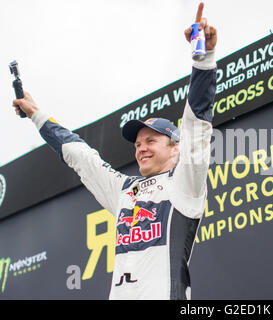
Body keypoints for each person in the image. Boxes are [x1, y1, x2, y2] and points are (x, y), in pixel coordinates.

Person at [12, 2, 217, 300]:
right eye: (137, 144)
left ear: (175, 149)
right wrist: (35, 114)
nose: (142, 149)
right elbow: (81, 156)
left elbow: (197, 124)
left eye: (152, 141)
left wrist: (204, 57)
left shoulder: (184, 184)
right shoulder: (124, 191)